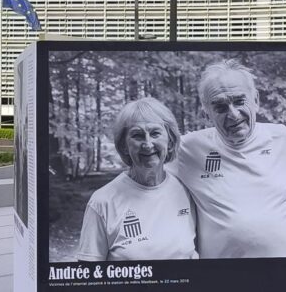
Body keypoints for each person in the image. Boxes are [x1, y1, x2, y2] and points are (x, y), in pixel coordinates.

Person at [170, 59, 286, 259]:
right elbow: (145, 174)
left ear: (255, 100)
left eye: (239, 101)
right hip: (221, 274)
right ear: (207, 113)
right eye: (220, 107)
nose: (233, 114)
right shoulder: (188, 149)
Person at [77, 97, 197, 261]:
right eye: (137, 135)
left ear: (170, 141)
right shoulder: (102, 202)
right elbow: (88, 272)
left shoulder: (187, 191)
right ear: (124, 146)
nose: (148, 144)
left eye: (155, 133)